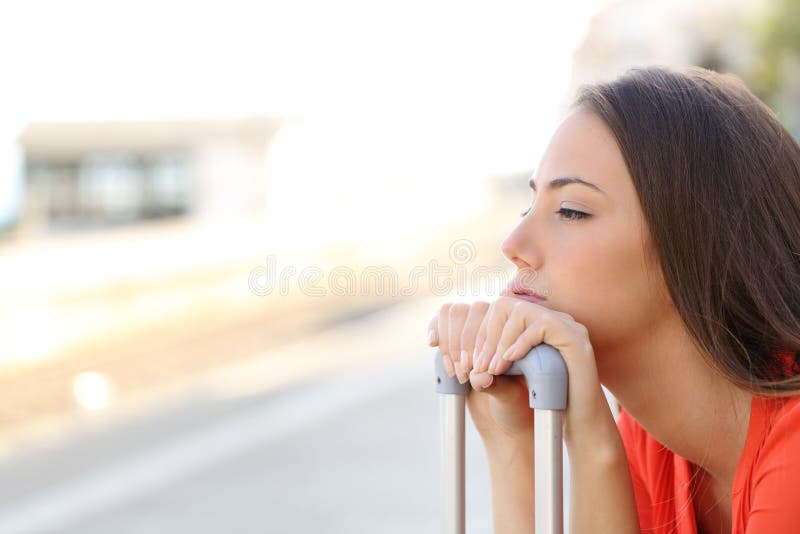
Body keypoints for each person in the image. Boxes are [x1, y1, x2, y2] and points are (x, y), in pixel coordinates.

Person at [426, 65, 800, 534]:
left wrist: (594, 446)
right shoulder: (653, 443)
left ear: (696, 246)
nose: (513, 243)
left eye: (570, 211)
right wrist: (514, 443)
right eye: (529, 207)